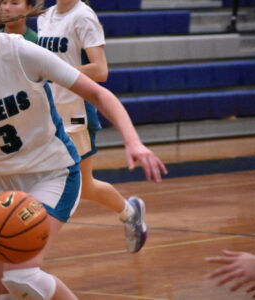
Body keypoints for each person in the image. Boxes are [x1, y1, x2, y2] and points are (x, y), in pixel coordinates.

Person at [0, 0, 167, 298]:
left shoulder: (21, 51)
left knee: (21, 274)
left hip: (51, 175)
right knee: (2, 291)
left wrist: (133, 141)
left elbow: (99, 93)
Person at [38, 0, 157, 254]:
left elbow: (101, 70)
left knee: (79, 185)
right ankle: (130, 211)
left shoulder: (83, 16)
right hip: (49, 112)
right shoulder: (44, 16)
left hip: (76, 113)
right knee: (81, 186)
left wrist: (59, 72)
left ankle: (19, 251)